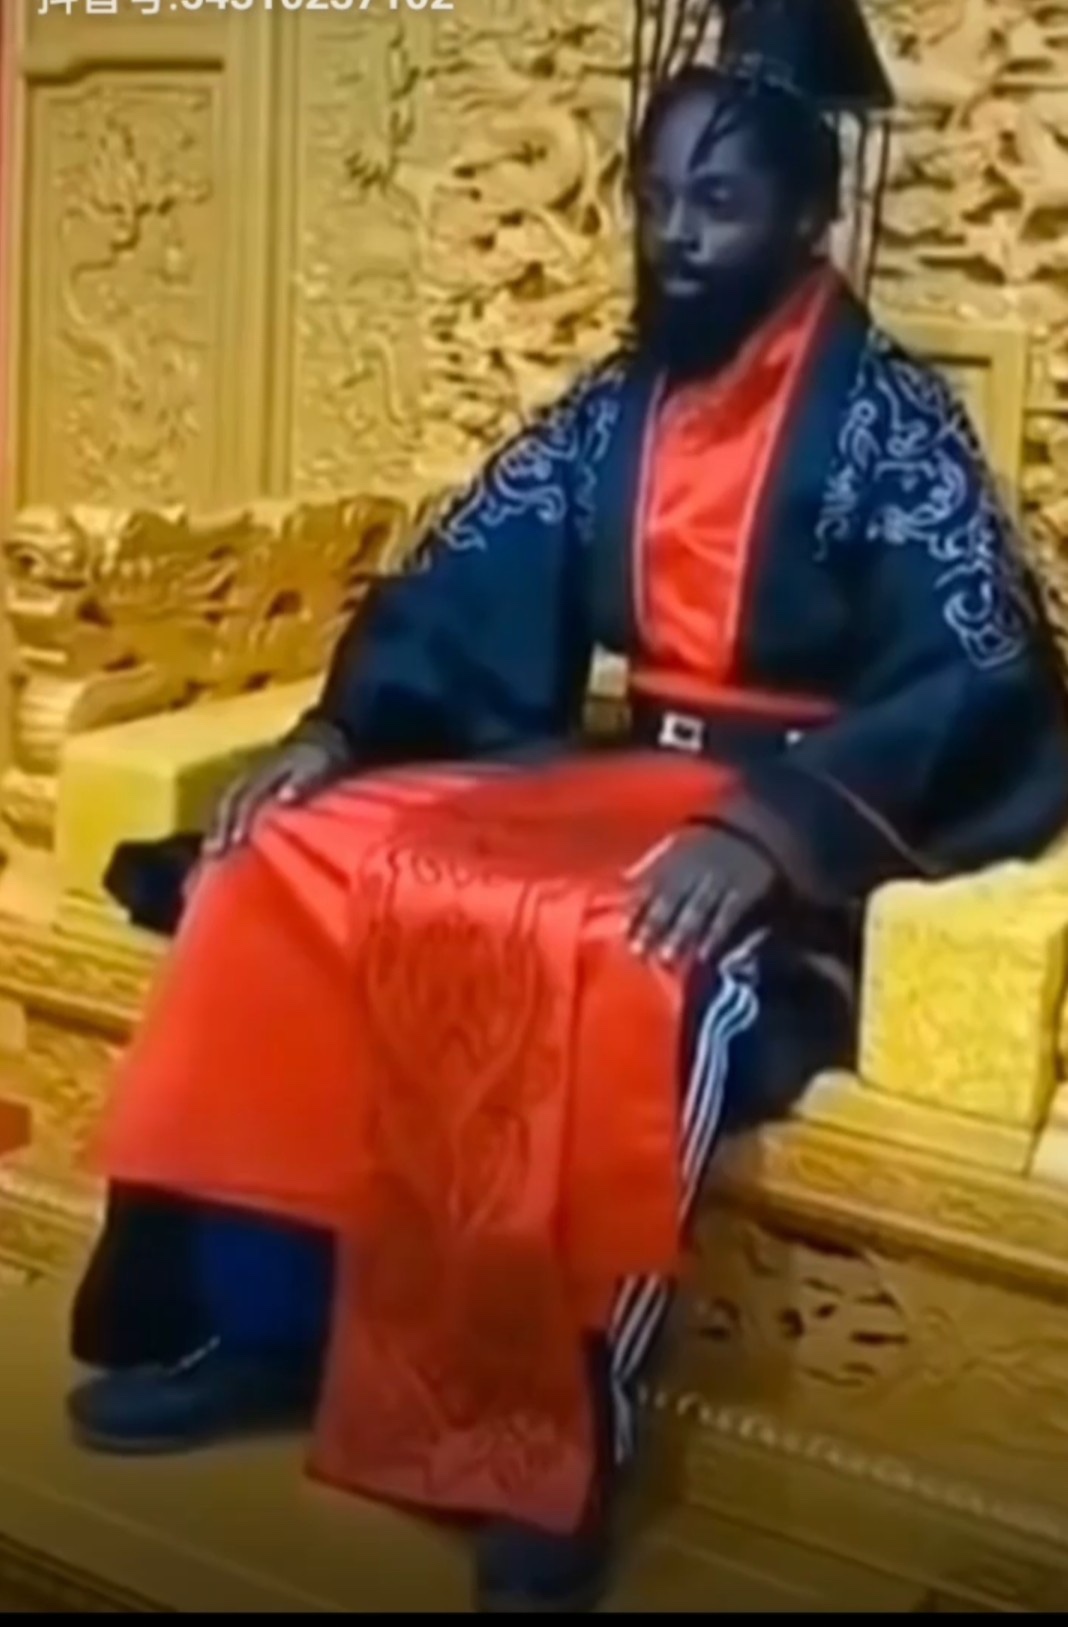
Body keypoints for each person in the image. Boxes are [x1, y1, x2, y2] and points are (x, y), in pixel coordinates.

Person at [66, 0, 1068, 1613]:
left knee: (609, 955)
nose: (676, 236)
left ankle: (543, 1436)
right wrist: (339, 732)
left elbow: (980, 666)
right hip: (606, 772)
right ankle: (264, 1329)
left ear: (807, 220)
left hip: (779, 823)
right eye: (655, 197)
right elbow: (471, 577)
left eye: (717, 203)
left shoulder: (891, 421)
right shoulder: (617, 407)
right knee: (278, 870)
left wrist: (774, 831)